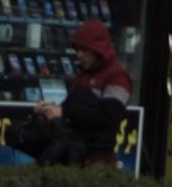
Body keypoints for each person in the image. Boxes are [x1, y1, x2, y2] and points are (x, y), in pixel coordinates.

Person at [34, 19, 132, 167]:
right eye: (77, 50)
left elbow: (108, 117)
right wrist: (50, 110)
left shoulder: (117, 77)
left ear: (98, 50)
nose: (79, 55)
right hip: (72, 151)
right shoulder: (84, 75)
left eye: (84, 50)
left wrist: (64, 112)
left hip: (96, 157)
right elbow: (73, 106)